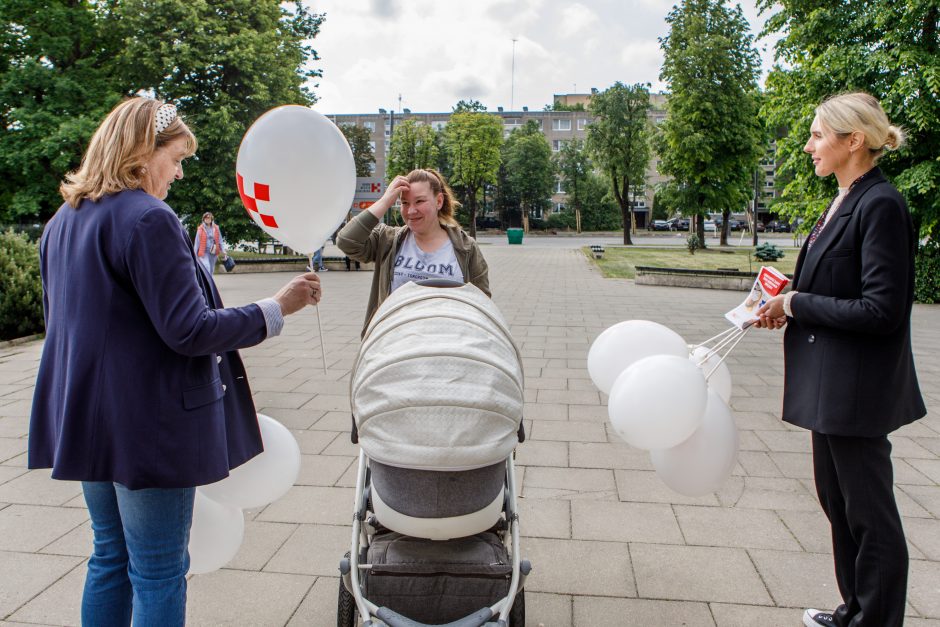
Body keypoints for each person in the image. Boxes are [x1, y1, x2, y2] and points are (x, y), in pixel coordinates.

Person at [28, 97, 323, 627]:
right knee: (160, 569)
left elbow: (67, 326)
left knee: (109, 559)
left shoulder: (62, 221)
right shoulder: (149, 217)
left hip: (87, 420)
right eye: (177, 157)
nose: (181, 172)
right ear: (144, 153)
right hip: (147, 426)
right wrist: (276, 309)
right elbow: (190, 330)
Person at [754, 92, 925, 627]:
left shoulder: (881, 203)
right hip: (831, 386)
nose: (808, 147)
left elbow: (881, 309)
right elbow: (835, 284)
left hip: (858, 390)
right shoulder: (843, 198)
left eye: (817, 136)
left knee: (870, 516)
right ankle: (854, 610)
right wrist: (785, 299)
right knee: (840, 505)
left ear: (855, 141)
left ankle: (875, 621)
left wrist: (798, 303)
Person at [337, 168, 490, 336]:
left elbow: (482, 304)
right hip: (394, 346)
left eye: (419, 201)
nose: (411, 211)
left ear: (439, 201)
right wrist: (385, 201)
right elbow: (346, 241)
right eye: (404, 203)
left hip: (449, 347)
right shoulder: (387, 240)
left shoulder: (466, 248)